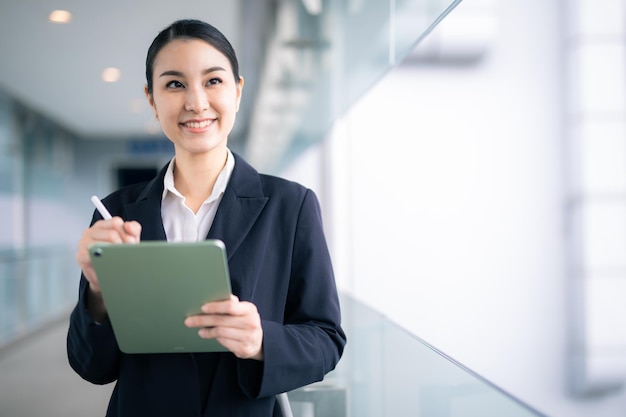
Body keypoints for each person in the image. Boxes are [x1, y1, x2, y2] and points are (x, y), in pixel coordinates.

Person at [67, 19, 346, 417]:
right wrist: (97, 293)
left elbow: (326, 340)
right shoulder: (116, 212)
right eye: (174, 84)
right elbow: (89, 365)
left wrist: (262, 341)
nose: (196, 102)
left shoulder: (291, 205)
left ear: (238, 90)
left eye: (213, 81)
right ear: (152, 99)